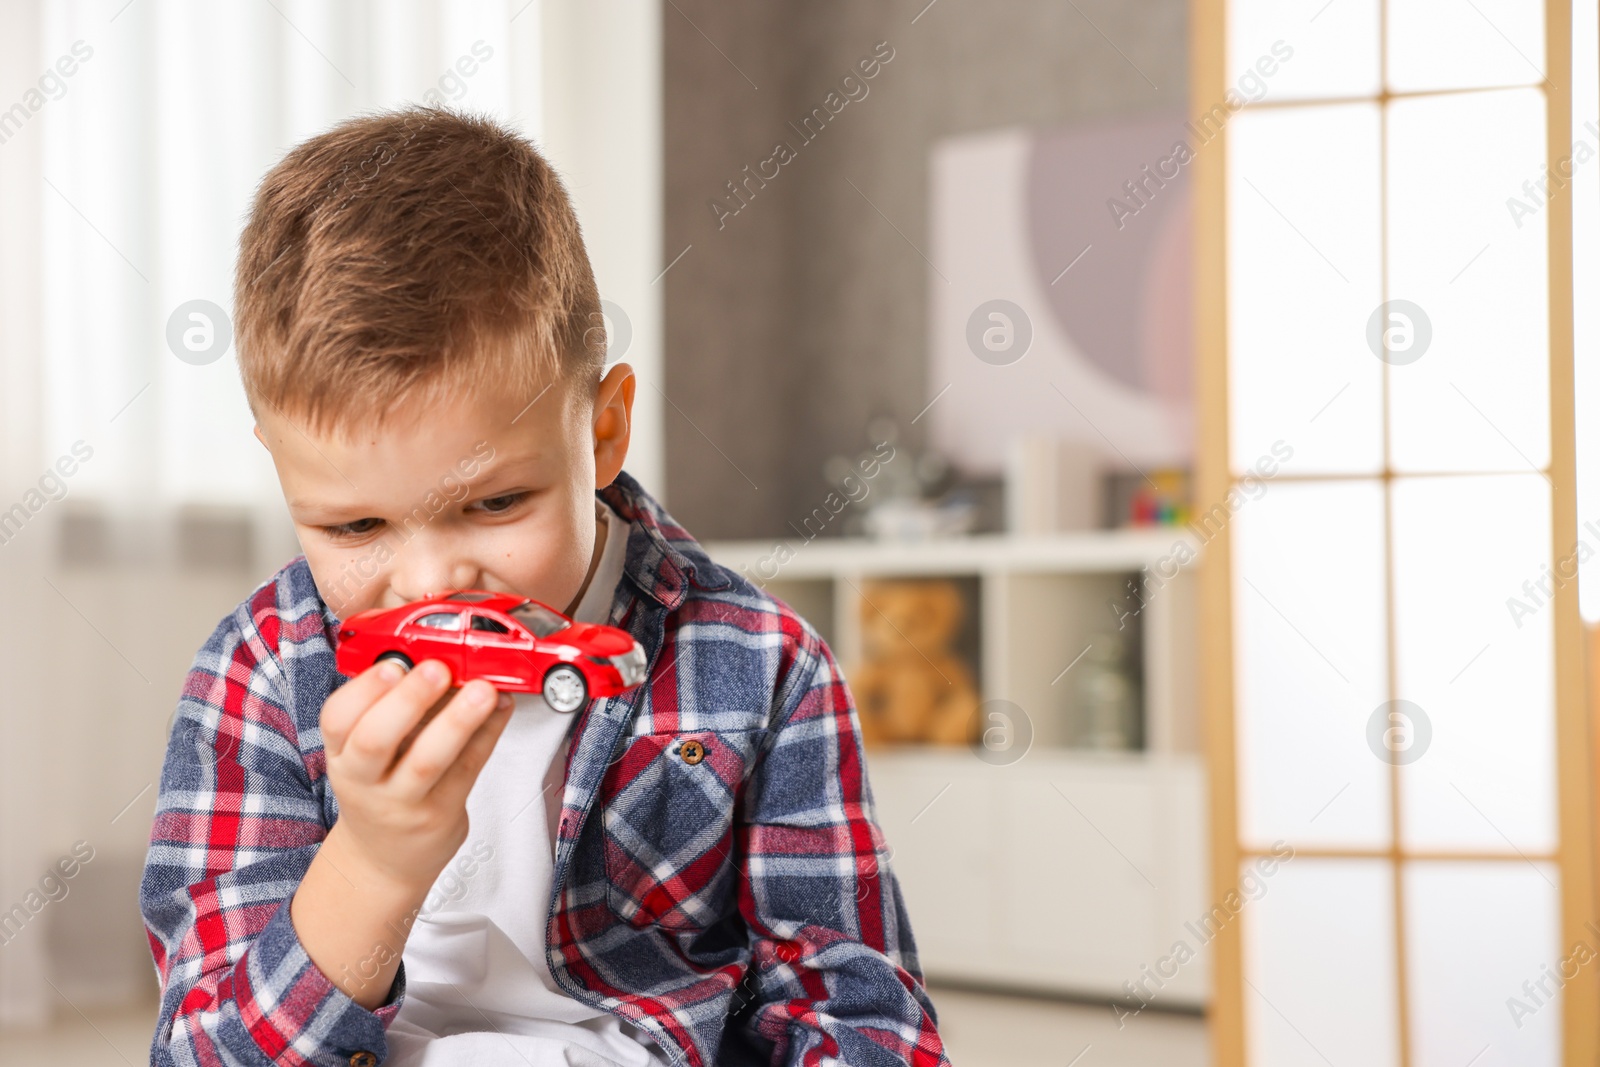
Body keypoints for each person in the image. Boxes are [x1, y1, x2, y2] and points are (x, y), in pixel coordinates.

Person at [138, 106, 946, 1067]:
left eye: (494, 503)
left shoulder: (762, 666)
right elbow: (204, 1052)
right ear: (280, 472)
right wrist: (373, 862)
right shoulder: (262, 675)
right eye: (356, 526)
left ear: (602, 432)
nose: (434, 582)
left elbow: (854, 1004)